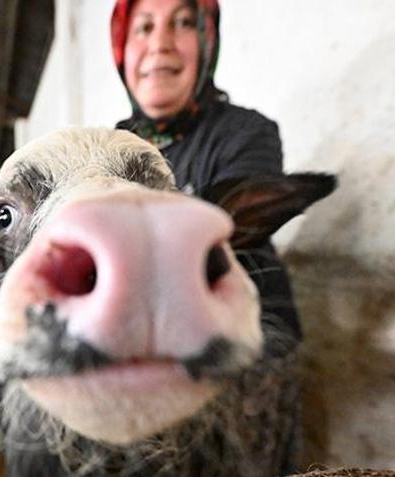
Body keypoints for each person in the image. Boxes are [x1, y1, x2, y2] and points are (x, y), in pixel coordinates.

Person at [111, 0, 303, 350]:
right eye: (144, 27)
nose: (160, 44)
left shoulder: (244, 132)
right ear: (122, 47)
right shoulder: (108, 148)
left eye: (183, 23)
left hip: (241, 340)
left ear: (207, 40)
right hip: (133, 343)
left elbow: (232, 238)